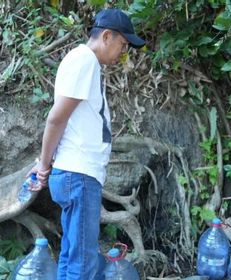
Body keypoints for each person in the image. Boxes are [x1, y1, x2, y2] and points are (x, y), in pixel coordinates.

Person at [26, 8, 145, 279]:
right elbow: (56, 118)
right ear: (106, 36)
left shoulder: (81, 62)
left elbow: (66, 121)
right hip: (78, 175)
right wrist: (43, 165)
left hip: (76, 174)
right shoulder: (85, 61)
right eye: (123, 45)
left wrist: (49, 162)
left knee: (72, 254)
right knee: (82, 261)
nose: (122, 53)